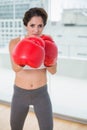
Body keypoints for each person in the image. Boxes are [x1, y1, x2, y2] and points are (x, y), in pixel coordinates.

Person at [9, 7, 58, 130]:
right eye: (32, 25)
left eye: (40, 26)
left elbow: (53, 71)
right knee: (15, 127)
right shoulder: (15, 42)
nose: (36, 30)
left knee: (47, 128)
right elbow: (16, 69)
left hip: (41, 94)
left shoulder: (48, 43)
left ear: (43, 26)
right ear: (26, 25)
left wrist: (48, 59)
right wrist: (27, 53)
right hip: (20, 94)